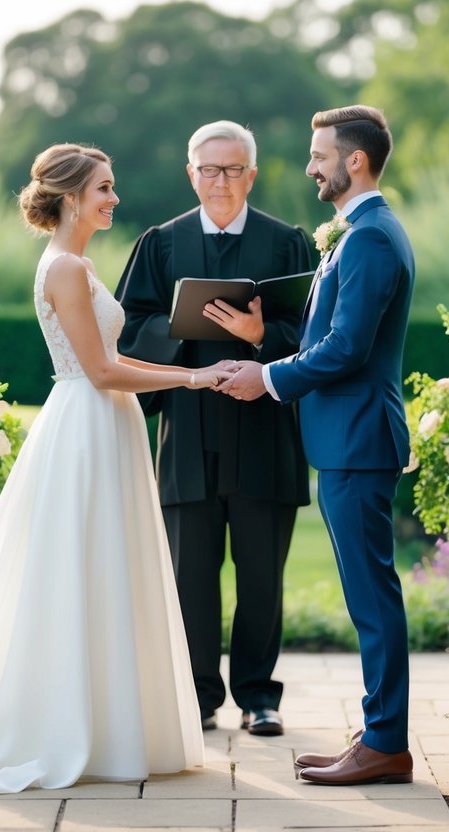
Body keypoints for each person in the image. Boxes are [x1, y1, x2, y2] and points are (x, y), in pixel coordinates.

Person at [0, 143, 227, 796]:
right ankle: (69, 729)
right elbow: (102, 369)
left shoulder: (75, 263)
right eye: (104, 188)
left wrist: (196, 375)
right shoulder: (66, 268)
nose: (114, 199)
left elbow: (108, 362)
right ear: (72, 195)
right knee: (82, 567)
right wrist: (198, 377)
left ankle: (111, 729)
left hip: (105, 420)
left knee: (109, 568)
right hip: (85, 423)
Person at [219, 105, 416, 785]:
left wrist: (266, 377)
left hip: (358, 441)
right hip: (346, 440)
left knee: (371, 598)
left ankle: (385, 743)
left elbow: (344, 348)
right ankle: (375, 732)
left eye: (318, 154)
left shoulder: (369, 239)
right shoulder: (358, 233)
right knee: (368, 595)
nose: (308, 167)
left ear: (353, 160)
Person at [113, 120, 313, 736]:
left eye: (232, 170)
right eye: (208, 169)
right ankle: (197, 693)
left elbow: (316, 333)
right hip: (189, 430)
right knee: (189, 576)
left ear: (252, 174)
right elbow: (127, 326)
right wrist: (182, 328)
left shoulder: (288, 243)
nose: (219, 181)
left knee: (261, 575)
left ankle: (259, 696)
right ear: (190, 172)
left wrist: (261, 338)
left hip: (264, 433)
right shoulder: (160, 244)